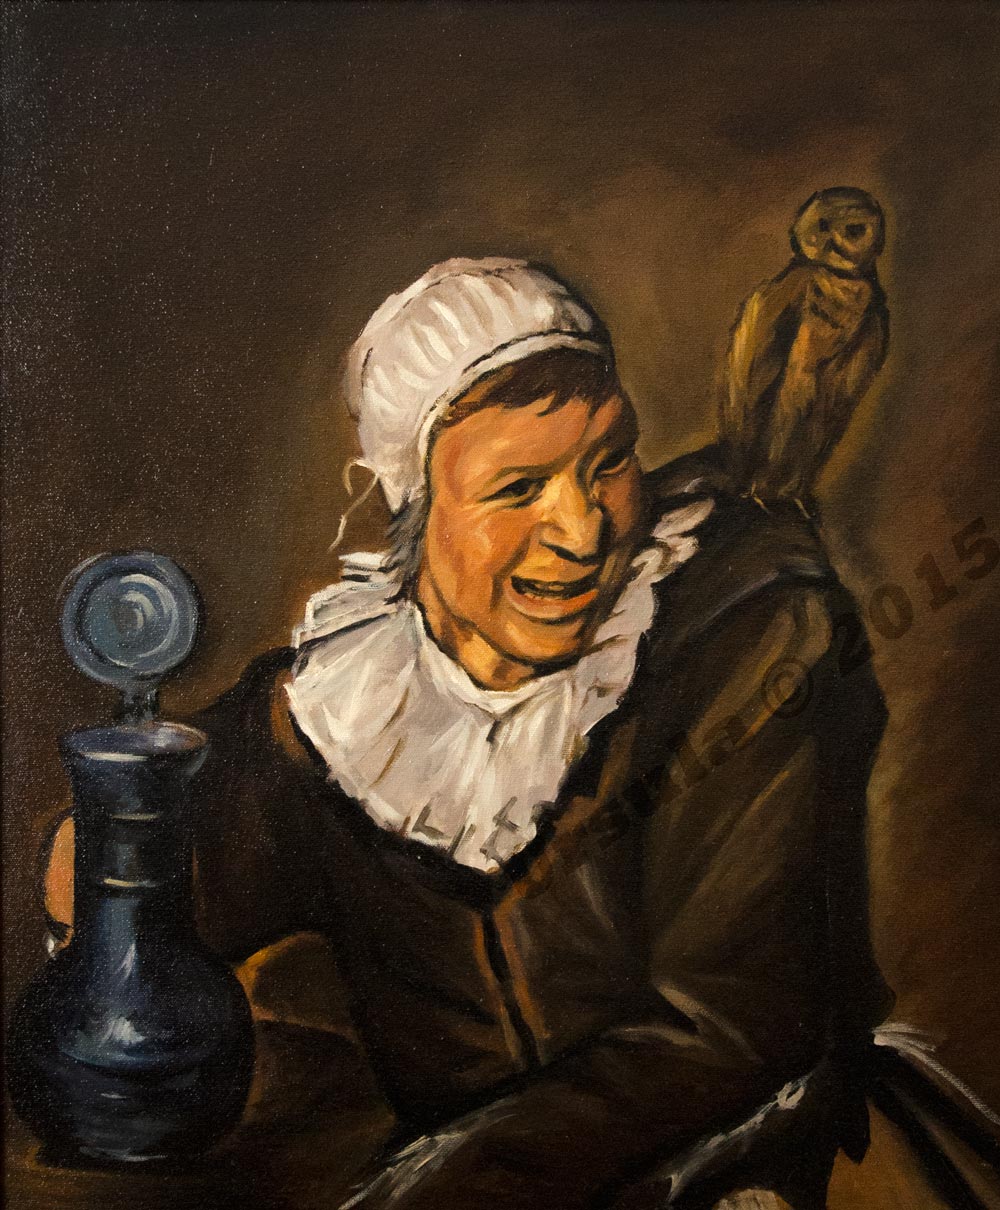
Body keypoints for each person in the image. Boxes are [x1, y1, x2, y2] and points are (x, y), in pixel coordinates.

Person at [45, 258, 892, 1208]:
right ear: (413, 506)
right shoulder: (343, 708)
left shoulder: (749, 633)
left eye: (609, 462)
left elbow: (730, 1037)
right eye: (519, 488)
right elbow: (150, 877)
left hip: (730, 1172)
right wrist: (115, 850)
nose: (582, 530)